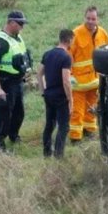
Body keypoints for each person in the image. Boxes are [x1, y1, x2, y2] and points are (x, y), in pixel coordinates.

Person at [0, 10, 31, 151]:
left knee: (19, 112)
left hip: (17, 81)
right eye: (20, 24)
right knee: (4, 113)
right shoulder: (0, 41)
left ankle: (13, 135)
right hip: (6, 81)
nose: (22, 27)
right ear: (11, 23)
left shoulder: (17, 37)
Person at [69, 6, 108, 142]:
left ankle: (90, 131)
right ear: (84, 18)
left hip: (95, 81)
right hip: (78, 83)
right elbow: (68, 57)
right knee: (77, 111)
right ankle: (75, 137)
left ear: (97, 19)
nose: (90, 21)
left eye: (93, 19)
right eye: (88, 18)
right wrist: (69, 76)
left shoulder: (102, 33)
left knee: (92, 109)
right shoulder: (75, 34)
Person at [37, 29, 74, 158]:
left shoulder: (47, 54)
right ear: (69, 40)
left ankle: (46, 153)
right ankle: (59, 155)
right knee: (63, 127)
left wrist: (43, 91)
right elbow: (66, 81)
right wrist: (70, 99)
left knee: (49, 125)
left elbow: (39, 73)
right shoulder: (66, 57)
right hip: (60, 97)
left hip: (49, 95)